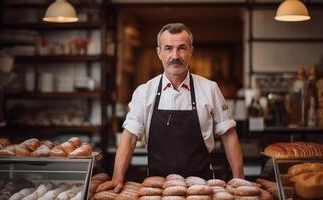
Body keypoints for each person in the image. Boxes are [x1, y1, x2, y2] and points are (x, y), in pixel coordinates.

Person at [97, 23, 244, 193]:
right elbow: (129, 137)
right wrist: (117, 177)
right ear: (159, 52)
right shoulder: (145, 92)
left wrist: (239, 179)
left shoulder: (210, 89)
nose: (175, 55)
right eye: (168, 48)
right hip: (157, 188)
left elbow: (228, 134)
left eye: (182, 48)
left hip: (202, 188)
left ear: (191, 51)